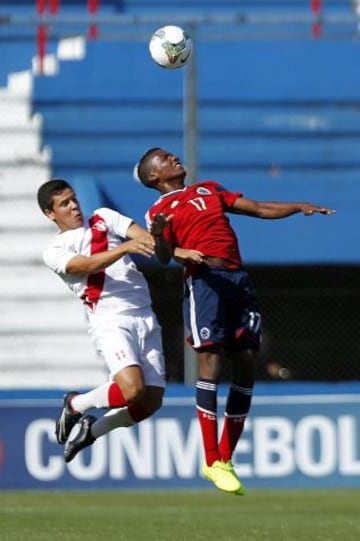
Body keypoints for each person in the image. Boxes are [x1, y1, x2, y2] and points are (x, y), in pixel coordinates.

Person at [136, 147, 335, 495]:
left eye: (172, 155)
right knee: (210, 364)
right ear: (154, 177)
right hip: (204, 281)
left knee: (246, 363)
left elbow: (257, 208)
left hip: (237, 279)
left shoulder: (208, 190)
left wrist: (297, 206)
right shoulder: (158, 211)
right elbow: (166, 257)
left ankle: (225, 458)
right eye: (165, 159)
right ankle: (211, 458)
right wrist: (159, 233)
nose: (174, 158)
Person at [37, 178, 167, 463]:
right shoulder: (54, 251)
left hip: (144, 314)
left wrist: (162, 242)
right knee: (133, 390)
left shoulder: (104, 217)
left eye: (73, 199)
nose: (74, 206)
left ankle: (92, 430)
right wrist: (124, 248)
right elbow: (86, 265)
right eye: (64, 204)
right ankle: (75, 404)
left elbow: (144, 239)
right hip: (111, 319)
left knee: (152, 401)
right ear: (50, 214)